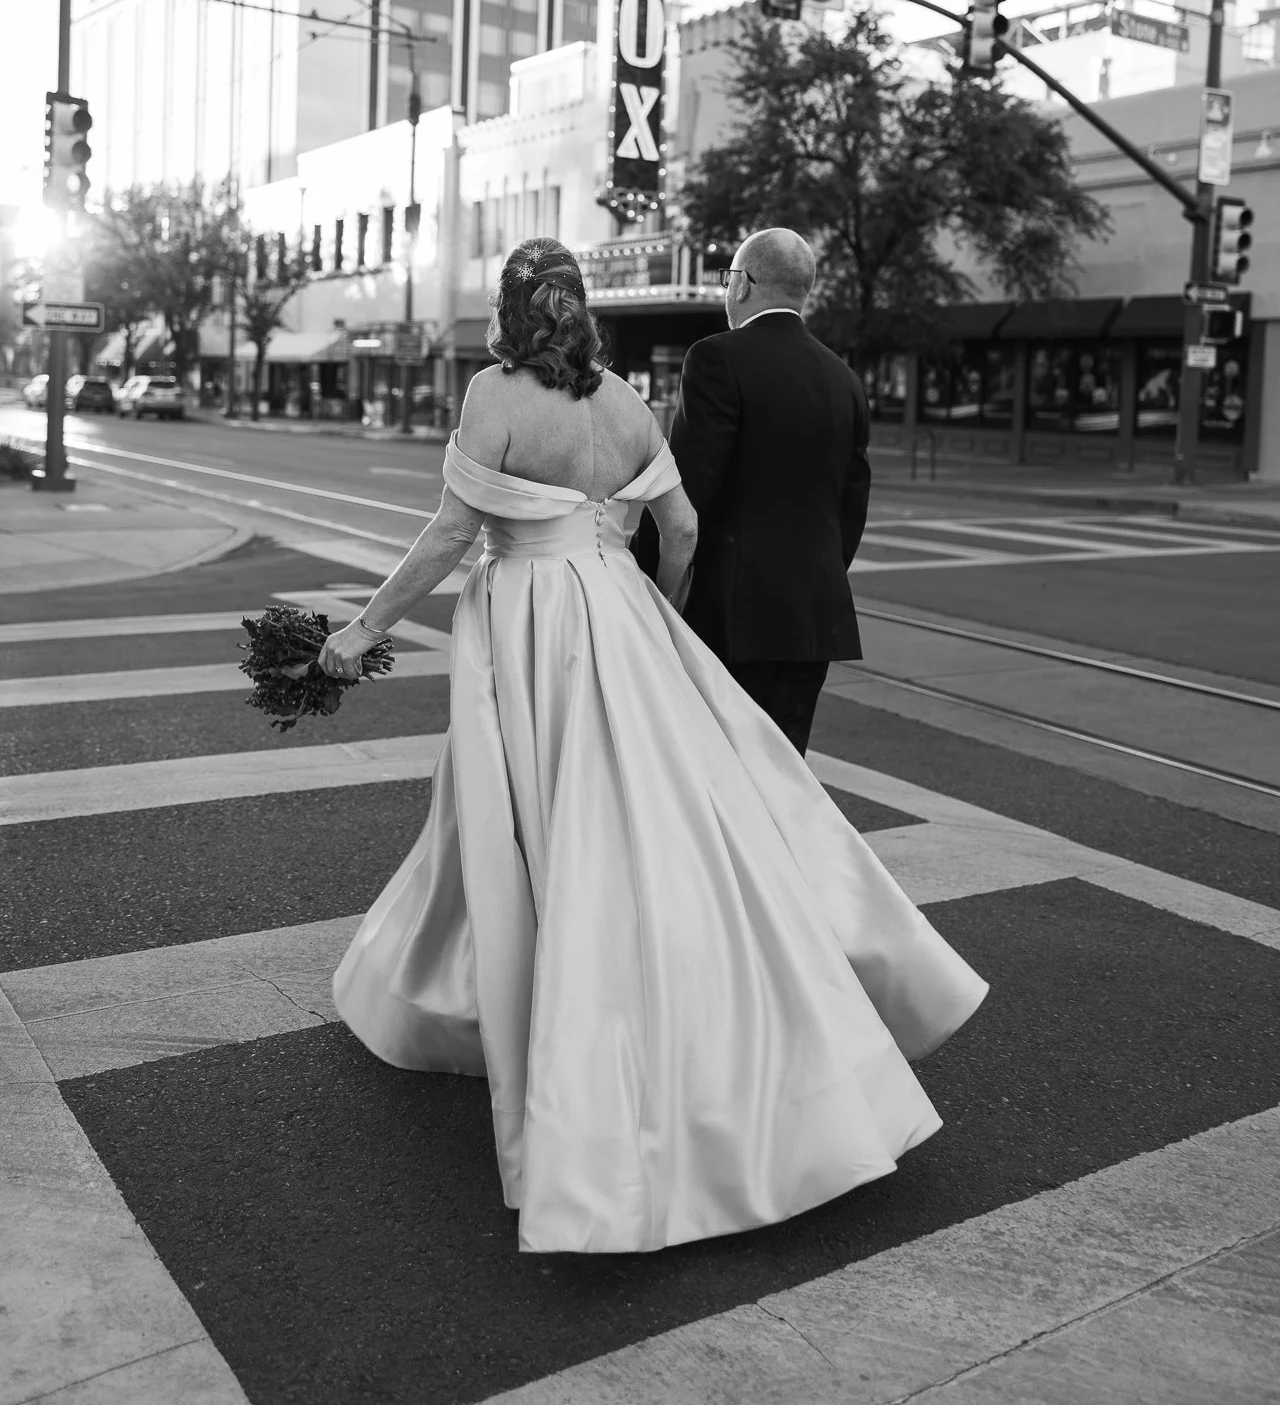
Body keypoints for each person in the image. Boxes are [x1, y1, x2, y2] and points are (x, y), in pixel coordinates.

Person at [319, 237, 987, 1256]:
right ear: (581, 309)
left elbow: (451, 533)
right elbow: (674, 527)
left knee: (521, 818)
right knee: (660, 823)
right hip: (620, 615)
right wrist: (649, 611)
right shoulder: (627, 402)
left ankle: (511, 1008)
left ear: (507, 310)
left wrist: (363, 628)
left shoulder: (494, 395)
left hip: (530, 627)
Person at [634, 227, 868, 756]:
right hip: (811, 618)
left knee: (723, 778)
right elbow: (851, 511)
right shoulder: (844, 379)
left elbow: (686, 491)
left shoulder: (717, 359)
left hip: (732, 617)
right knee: (787, 778)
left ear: (742, 284)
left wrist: (643, 582)